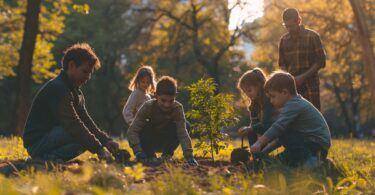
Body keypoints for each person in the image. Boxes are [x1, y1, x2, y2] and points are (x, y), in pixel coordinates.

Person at [23, 43, 119, 162]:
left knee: (86, 138)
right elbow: (73, 124)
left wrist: (106, 141)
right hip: (37, 144)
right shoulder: (58, 89)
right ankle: (44, 159)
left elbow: (86, 120)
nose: (88, 77)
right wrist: (99, 149)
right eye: (85, 71)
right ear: (72, 65)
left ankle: (50, 158)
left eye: (90, 73)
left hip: (51, 138)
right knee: (80, 133)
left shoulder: (75, 91)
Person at [251, 71, 331, 168]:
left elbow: (278, 127)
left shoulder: (294, 105)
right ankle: (314, 160)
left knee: (281, 163)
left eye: (273, 96)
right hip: (312, 144)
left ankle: (313, 161)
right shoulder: (293, 104)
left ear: (285, 92)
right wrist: (264, 152)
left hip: (314, 145)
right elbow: (280, 137)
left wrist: (259, 142)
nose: (271, 101)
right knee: (277, 161)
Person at [127, 76, 198, 165]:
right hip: (150, 140)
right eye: (163, 100)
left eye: (171, 101)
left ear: (175, 96)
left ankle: (166, 155)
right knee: (143, 125)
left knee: (186, 124)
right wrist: (138, 151)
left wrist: (189, 155)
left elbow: (182, 133)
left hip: (167, 140)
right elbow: (132, 130)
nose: (167, 105)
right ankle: (150, 157)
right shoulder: (148, 106)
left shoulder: (177, 108)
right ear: (156, 95)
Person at [278, 8, 326, 110]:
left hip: (310, 85)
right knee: (295, 119)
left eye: (291, 26)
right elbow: (282, 64)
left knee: (313, 117)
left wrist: (302, 77)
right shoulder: (283, 40)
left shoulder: (313, 36)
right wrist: (289, 79)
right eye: (287, 26)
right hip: (291, 87)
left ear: (298, 21)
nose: (289, 29)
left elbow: (321, 61)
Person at [237, 68, 277, 147]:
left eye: (249, 90)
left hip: (275, 128)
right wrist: (247, 129)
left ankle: (261, 155)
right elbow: (254, 123)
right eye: (245, 92)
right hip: (266, 129)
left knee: (252, 130)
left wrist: (251, 128)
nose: (247, 94)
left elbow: (267, 124)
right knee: (250, 131)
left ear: (259, 85)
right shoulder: (254, 104)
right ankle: (257, 156)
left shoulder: (269, 100)